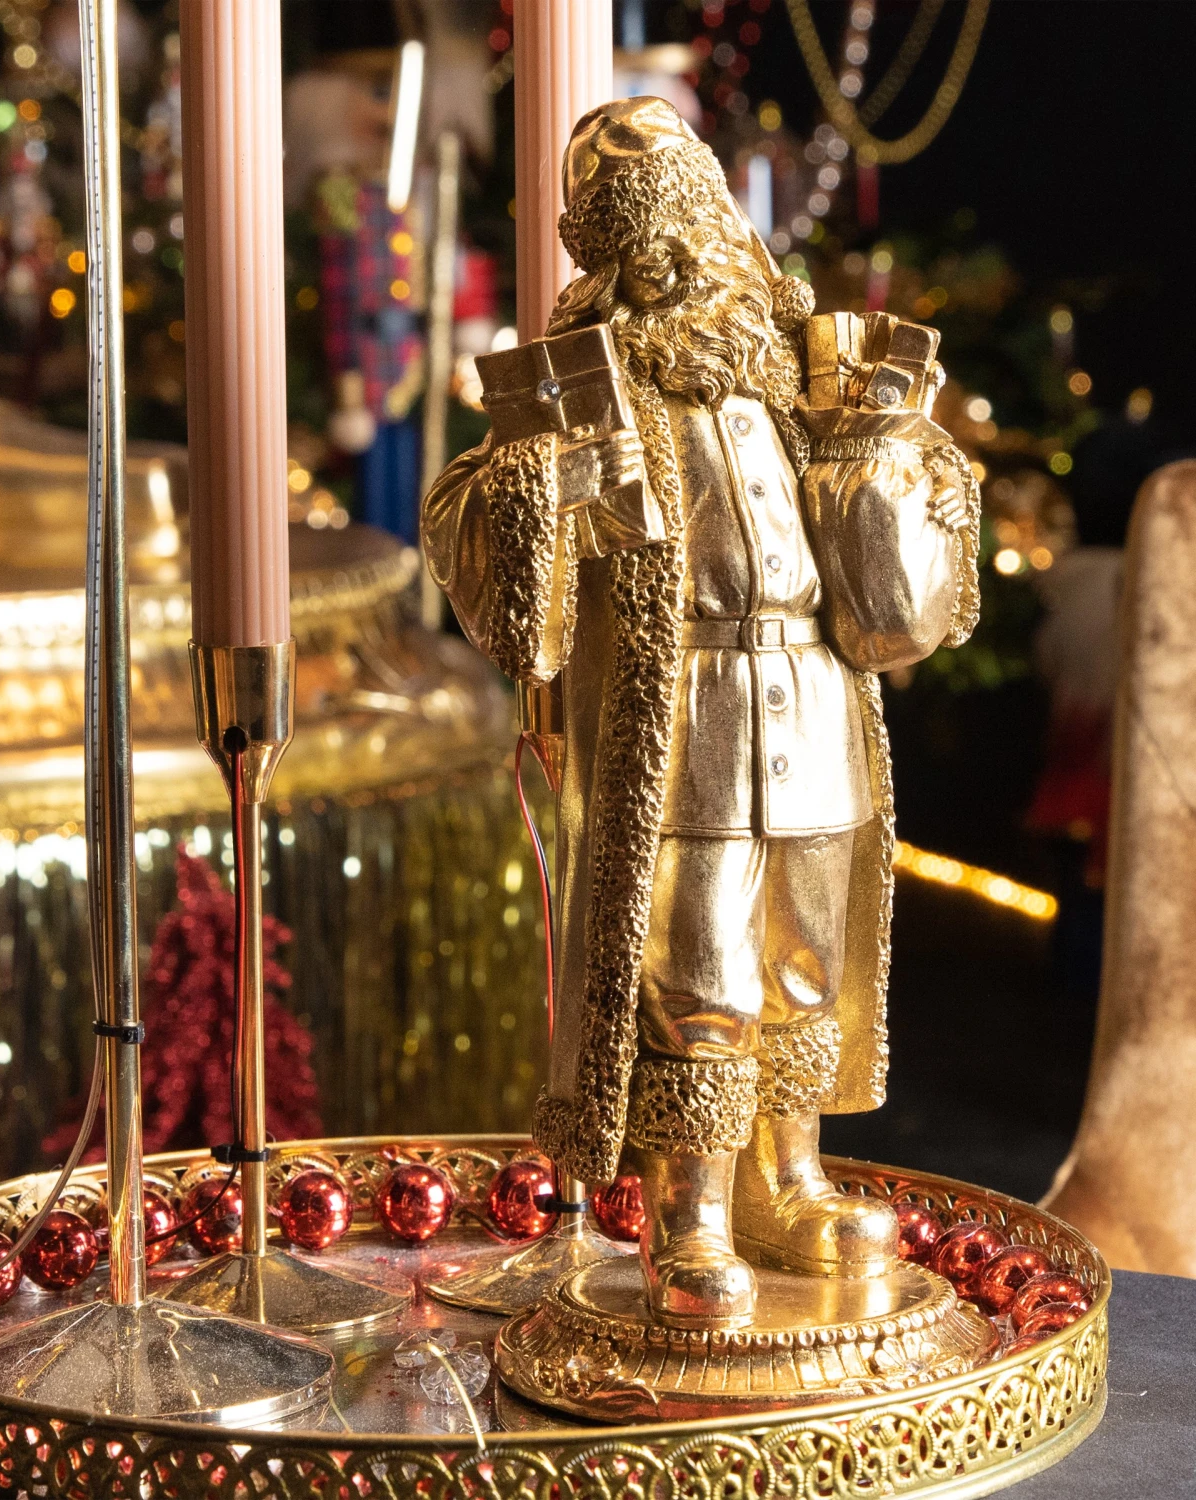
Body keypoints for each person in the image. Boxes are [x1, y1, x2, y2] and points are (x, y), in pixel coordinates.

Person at [424, 98, 978, 1326]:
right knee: (698, 973)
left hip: (813, 698)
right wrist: (540, 484)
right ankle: (693, 1217)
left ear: (718, 230)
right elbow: (479, 515)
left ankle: (789, 1181)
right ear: (606, 263)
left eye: (681, 235)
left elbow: (885, 526)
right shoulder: (594, 385)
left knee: (805, 959)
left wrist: (902, 451)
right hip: (685, 719)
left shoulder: (791, 365)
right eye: (637, 250)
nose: (669, 268)